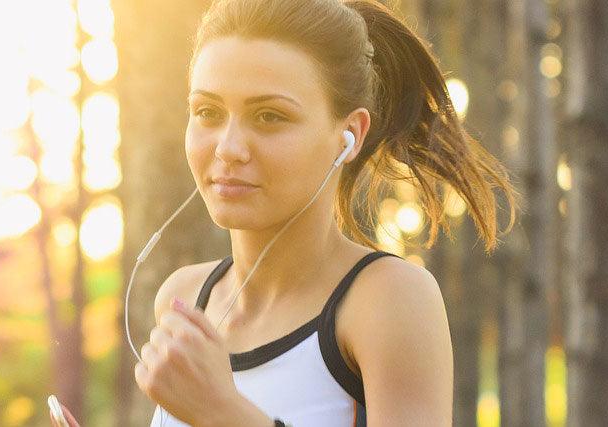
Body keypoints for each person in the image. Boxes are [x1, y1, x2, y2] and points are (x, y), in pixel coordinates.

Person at [52, 0, 517, 425]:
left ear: (349, 134)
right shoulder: (184, 298)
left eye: (270, 116)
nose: (228, 148)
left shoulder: (386, 300)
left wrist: (223, 413)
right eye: (208, 112)